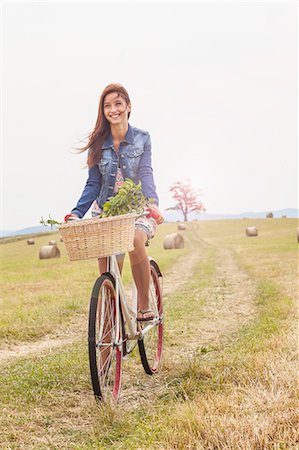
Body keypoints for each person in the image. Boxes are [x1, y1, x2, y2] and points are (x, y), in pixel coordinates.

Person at [66, 83, 163, 322]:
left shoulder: (142, 138)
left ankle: (143, 304)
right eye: (107, 106)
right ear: (103, 111)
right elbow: (93, 184)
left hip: (137, 209)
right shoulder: (97, 143)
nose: (113, 109)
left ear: (128, 107)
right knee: (109, 276)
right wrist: (77, 212)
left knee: (134, 238)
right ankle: (109, 339)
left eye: (118, 103)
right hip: (106, 211)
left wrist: (152, 204)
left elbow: (146, 173)